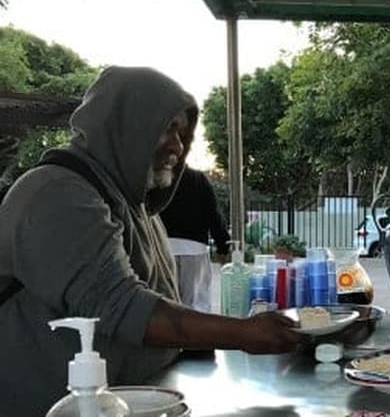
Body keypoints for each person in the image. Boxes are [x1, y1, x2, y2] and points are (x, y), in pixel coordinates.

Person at [0, 66, 301, 416]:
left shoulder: (138, 206)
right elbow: (124, 308)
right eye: (167, 129)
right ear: (122, 124)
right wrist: (243, 333)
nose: (177, 145)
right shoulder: (57, 194)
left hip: (130, 404)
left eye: (183, 133)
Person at [160, 164, 231, 313]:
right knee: (196, 306)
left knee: (164, 306)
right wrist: (223, 246)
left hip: (161, 247)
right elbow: (213, 215)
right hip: (194, 249)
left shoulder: (156, 177)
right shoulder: (198, 179)